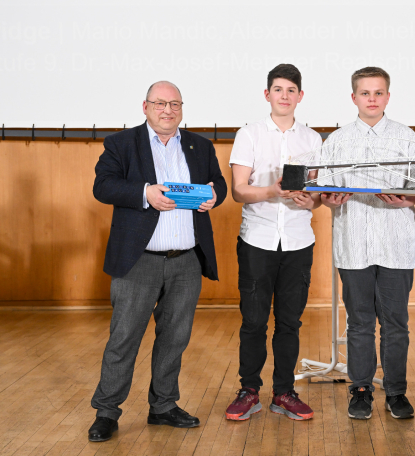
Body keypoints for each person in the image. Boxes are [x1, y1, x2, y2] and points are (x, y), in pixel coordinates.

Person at [88, 81, 227, 442]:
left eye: (175, 104)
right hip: (139, 260)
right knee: (124, 337)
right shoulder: (121, 143)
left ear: (182, 108)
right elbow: (103, 186)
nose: (168, 110)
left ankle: (163, 406)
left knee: (175, 338)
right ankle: (107, 411)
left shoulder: (200, 145)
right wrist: (144, 193)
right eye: (160, 103)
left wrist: (215, 195)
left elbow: (218, 184)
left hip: (186, 260)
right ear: (145, 106)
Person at [318, 67, 415, 420]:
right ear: (354, 97)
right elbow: (325, 192)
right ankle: (360, 389)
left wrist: (409, 199)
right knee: (359, 321)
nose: (372, 99)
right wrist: (330, 200)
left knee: (396, 322)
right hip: (353, 243)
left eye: (379, 93)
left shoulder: (407, 137)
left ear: (388, 96)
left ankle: (396, 391)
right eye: (365, 93)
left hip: (397, 243)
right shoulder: (336, 141)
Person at [225, 64, 322, 421]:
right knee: (253, 321)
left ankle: (284, 392)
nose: (284, 95)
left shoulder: (313, 140)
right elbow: (239, 191)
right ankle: (249, 390)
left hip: (298, 241)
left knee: (289, 322)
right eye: (278, 89)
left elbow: (318, 197)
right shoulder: (248, 134)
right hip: (258, 240)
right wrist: (272, 191)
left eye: (291, 90)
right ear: (267, 94)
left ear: (300, 96)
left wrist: (308, 200)